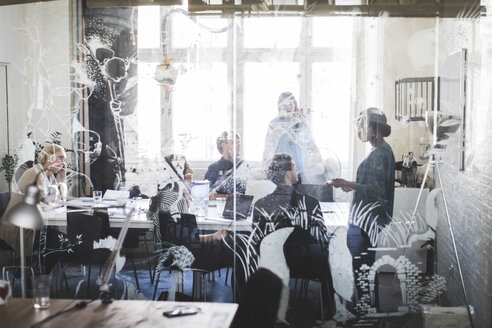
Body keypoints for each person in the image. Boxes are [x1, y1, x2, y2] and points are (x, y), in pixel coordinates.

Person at [327, 107, 395, 302]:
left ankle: (367, 312)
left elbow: (376, 189)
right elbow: (371, 185)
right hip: (367, 218)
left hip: (366, 220)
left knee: (361, 268)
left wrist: (346, 183)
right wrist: (352, 187)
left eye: (361, 126)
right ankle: (368, 310)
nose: (358, 130)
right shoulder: (381, 150)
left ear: (374, 129)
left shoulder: (379, 154)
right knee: (363, 268)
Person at [0, 144, 68, 272]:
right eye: (60, 158)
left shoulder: (49, 175)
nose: (63, 163)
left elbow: (61, 200)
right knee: (60, 241)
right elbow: (48, 201)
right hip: (19, 231)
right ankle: (36, 272)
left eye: (64, 159)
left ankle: (38, 270)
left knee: (61, 239)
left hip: (32, 226)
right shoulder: (34, 173)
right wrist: (54, 203)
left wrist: (63, 177)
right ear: (49, 156)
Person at [262, 92, 323, 184]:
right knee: (284, 196)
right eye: (285, 105)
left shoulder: (302, 124)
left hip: (301, 172)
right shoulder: (274, 125)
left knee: (301, 196)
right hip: (282, 174)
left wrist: (320, 164)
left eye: (291, 104)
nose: (289, 108)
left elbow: (313, 147)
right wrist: (265, 170)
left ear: (295, 105)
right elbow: (267, 150)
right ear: (279, 107)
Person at [204, 131, 249, 198]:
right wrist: (229, 197)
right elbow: (206, 195)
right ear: (223, 145)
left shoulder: (243, 165)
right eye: (233, 142)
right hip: (220, 206)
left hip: (243, 206)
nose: (238, 145)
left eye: (238, 143)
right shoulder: (214, 168)